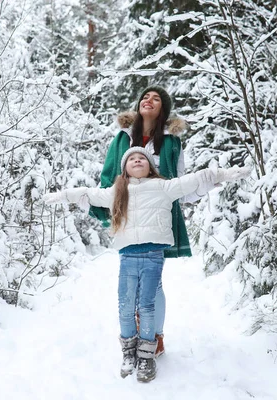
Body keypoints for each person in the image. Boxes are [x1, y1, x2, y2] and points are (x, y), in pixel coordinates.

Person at [44, 147, 250, 382]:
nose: (137, 160)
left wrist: (223, 174)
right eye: (132, 158)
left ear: (150, 166)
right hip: (127, 256)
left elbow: (195, 179)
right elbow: (89, 193)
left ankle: (146, 356)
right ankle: (129, 353)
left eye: (142, 158)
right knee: (125, 305)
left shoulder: (163, 186)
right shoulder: (117, 191)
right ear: (125, 169)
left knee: (146, 306)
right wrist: (63, 195)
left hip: (153, 255)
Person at [89, 85, 210, 357]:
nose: (149, 100)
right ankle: (134, 337)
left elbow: (179, 181)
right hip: (128, 217)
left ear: (163, 109)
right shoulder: (122, 137)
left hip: (157, 216)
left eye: (156, 99)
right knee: (130, 284)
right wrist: (108, 209)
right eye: (145, 96)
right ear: (139, 104)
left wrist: (205, 185)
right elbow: (109, 174)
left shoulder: (171, 141)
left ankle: (155, 335)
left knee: (154, 284)